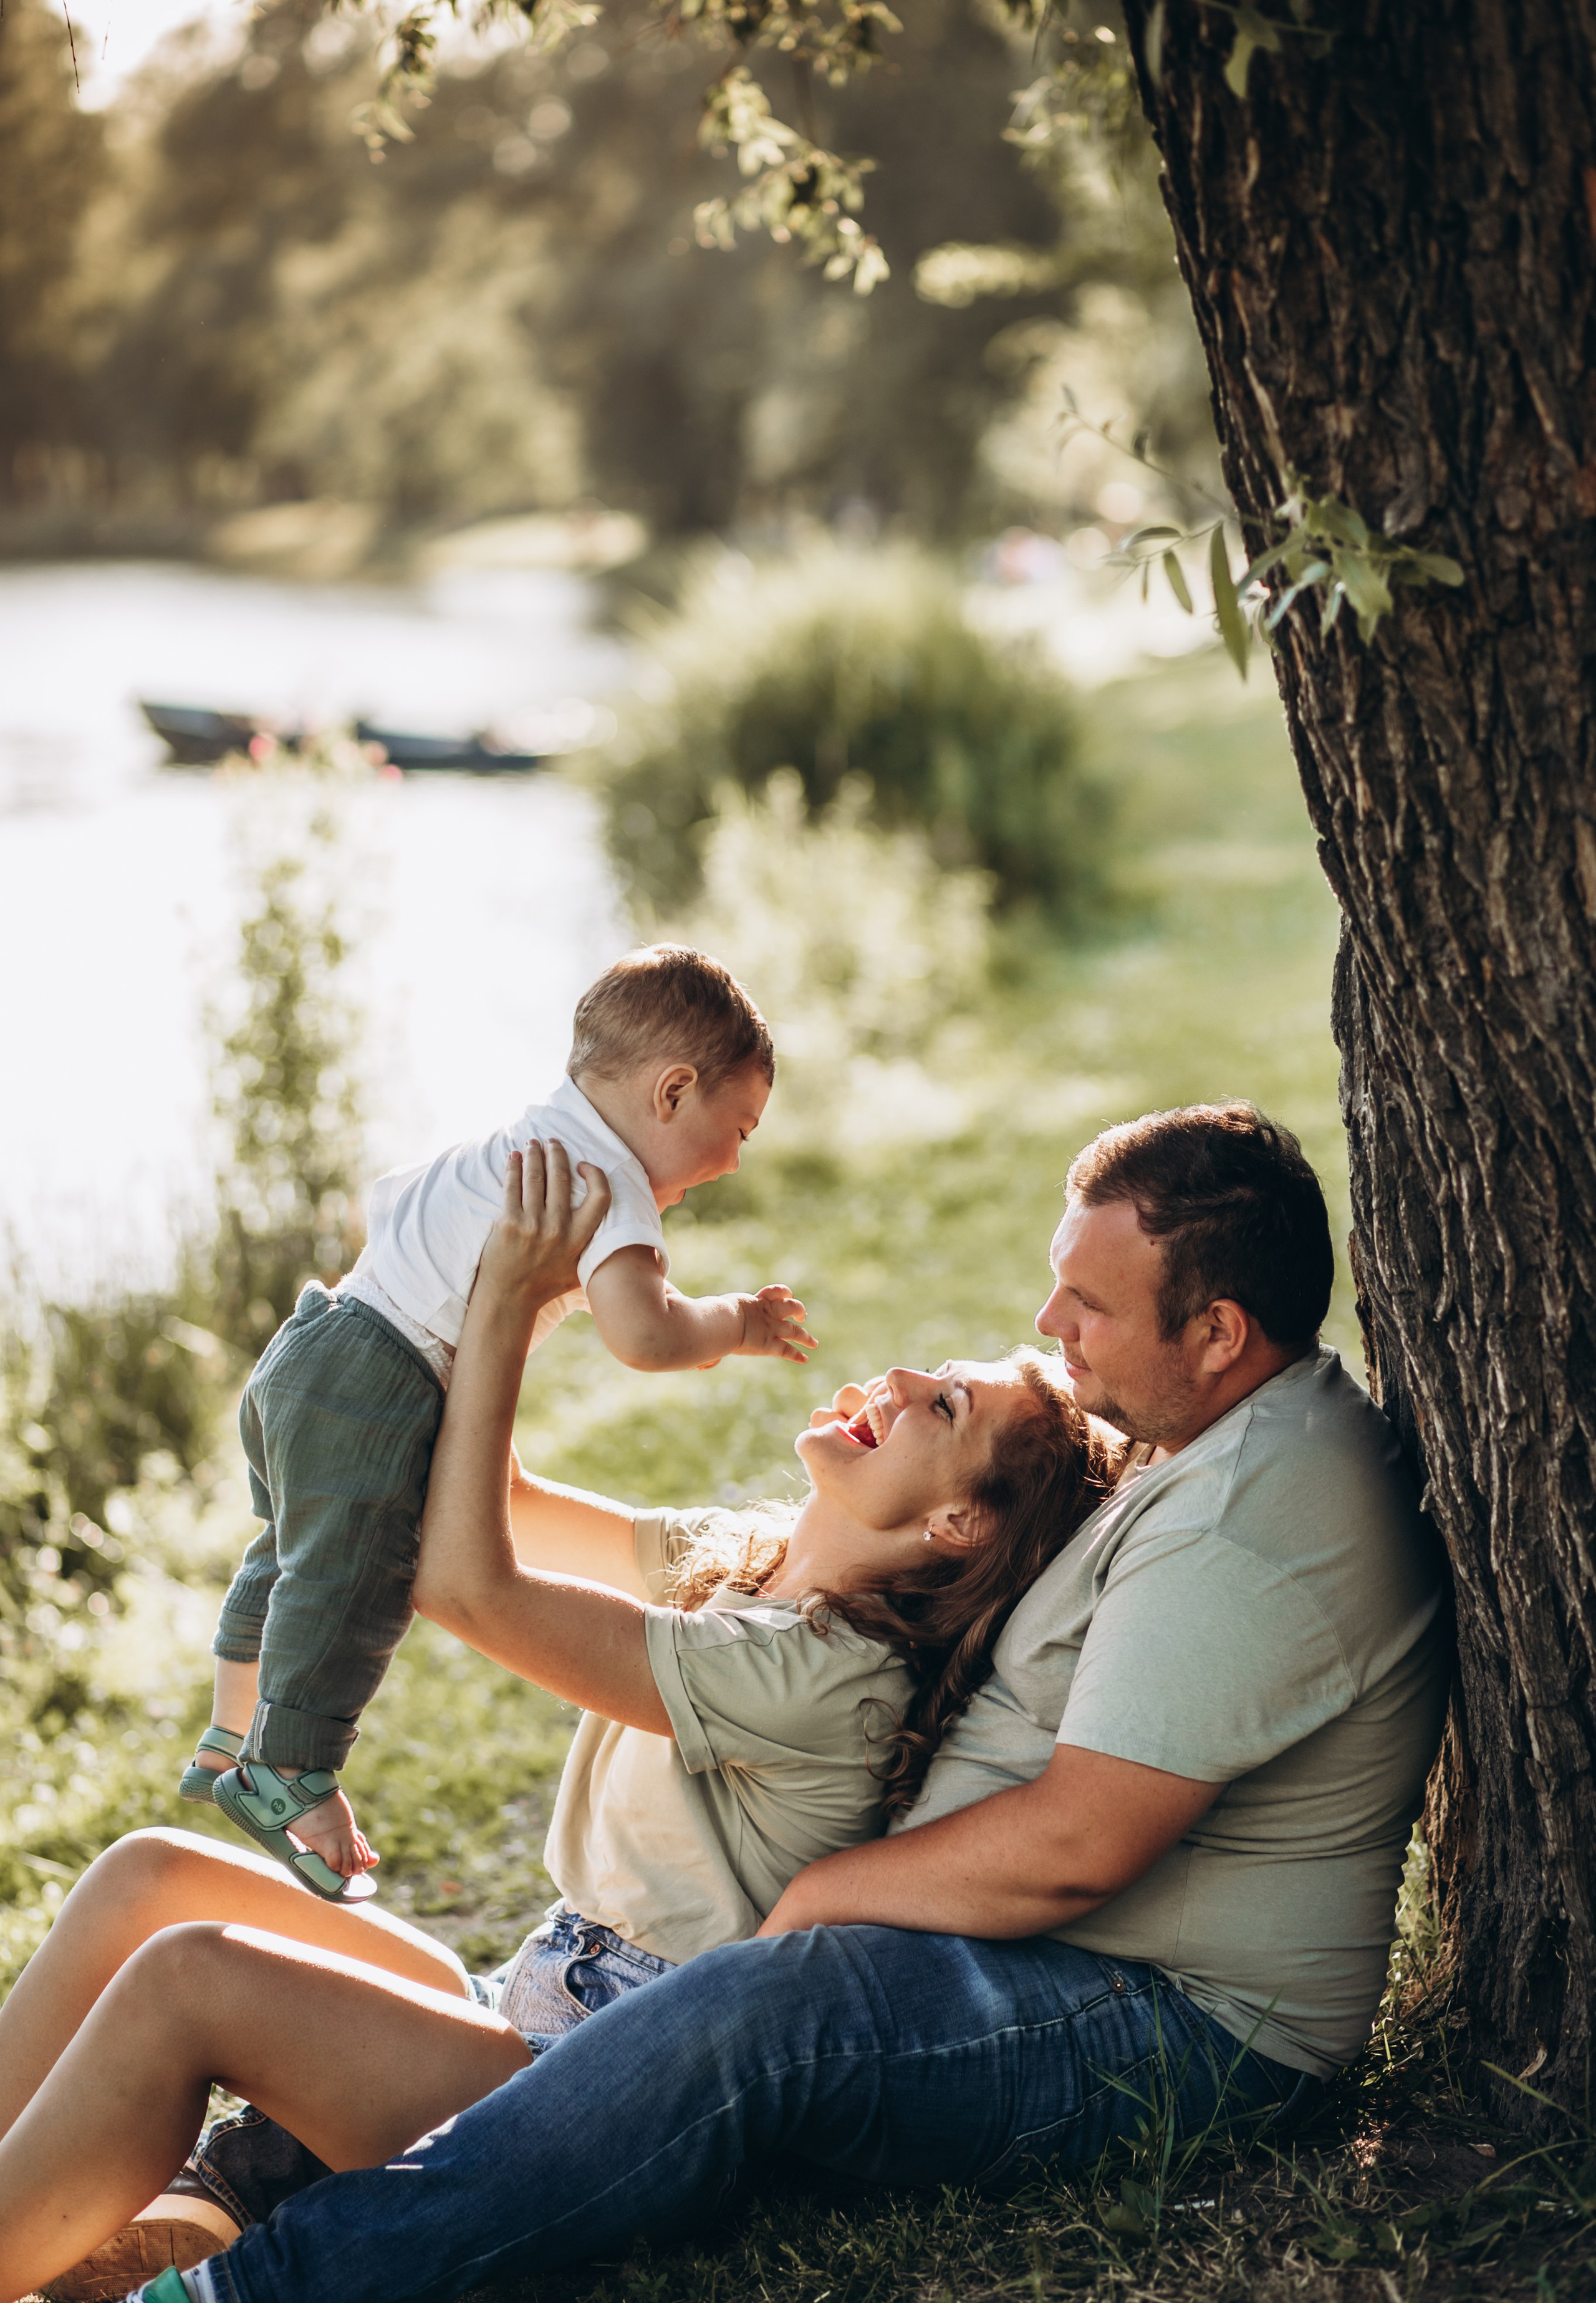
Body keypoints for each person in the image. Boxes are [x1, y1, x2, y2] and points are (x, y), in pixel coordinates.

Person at [0, 1147, 1115, 2303]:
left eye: (946, 1405)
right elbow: (509, 1505)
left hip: (577, 2086)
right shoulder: (752, 1558)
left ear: (957, 1526)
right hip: (524, 1996)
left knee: (193, 1977)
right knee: (150, 1878)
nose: (897, 1375)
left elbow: (468, 1582)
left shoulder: (834, 1677)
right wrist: (485, 1287)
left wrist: (508, 1301)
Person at [181, 945, 815, 1901]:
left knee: (288, 1555)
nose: (735, 1159)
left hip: (314, 1340)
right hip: (377, 1379)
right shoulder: (607, 1179)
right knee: (357, 1575)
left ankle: (230, 1738)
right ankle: (290, 1769)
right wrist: (742, 1322)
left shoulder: (521, 1139)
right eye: (741, 1127)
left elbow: (389, 1202)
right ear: (674, 1091)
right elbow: (645, 1333)